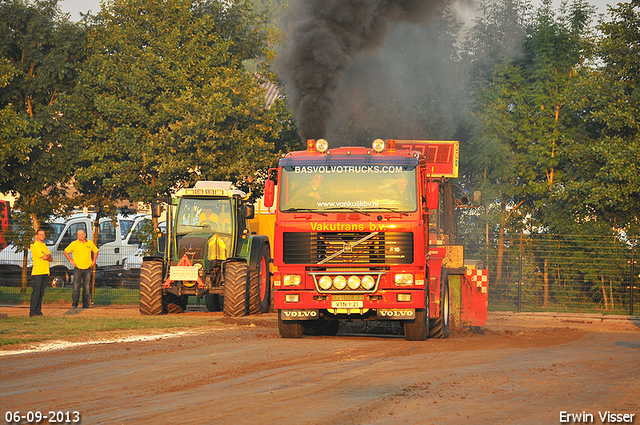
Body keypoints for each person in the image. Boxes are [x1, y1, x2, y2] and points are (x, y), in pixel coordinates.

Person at [64, 229, 99, 309]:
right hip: (78, 268)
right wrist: (71, 261)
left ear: (85, 234)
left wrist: (94, 261)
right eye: (79, 235)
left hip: (87, 268)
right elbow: (66, 251)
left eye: (82, 234)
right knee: (76, 287)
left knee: (86, 287)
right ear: (77, 236)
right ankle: (75, 304)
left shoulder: (90, 243)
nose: (81, 236)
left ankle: (86, 304)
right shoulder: (74, 244)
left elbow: (96, 251)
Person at [30, 229, 53, 317]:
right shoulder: (36, 246)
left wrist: (48, 256)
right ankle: (33, 311)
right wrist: (47, 256)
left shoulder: (44, 245)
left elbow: (50, 258)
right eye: (40, 234)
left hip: (45, 271)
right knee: (36, 292)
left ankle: (38, 311)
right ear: (37, 236)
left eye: (43, 234)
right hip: (38, 272)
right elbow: (44, 256)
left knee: (41, 293)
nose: (42, 236)